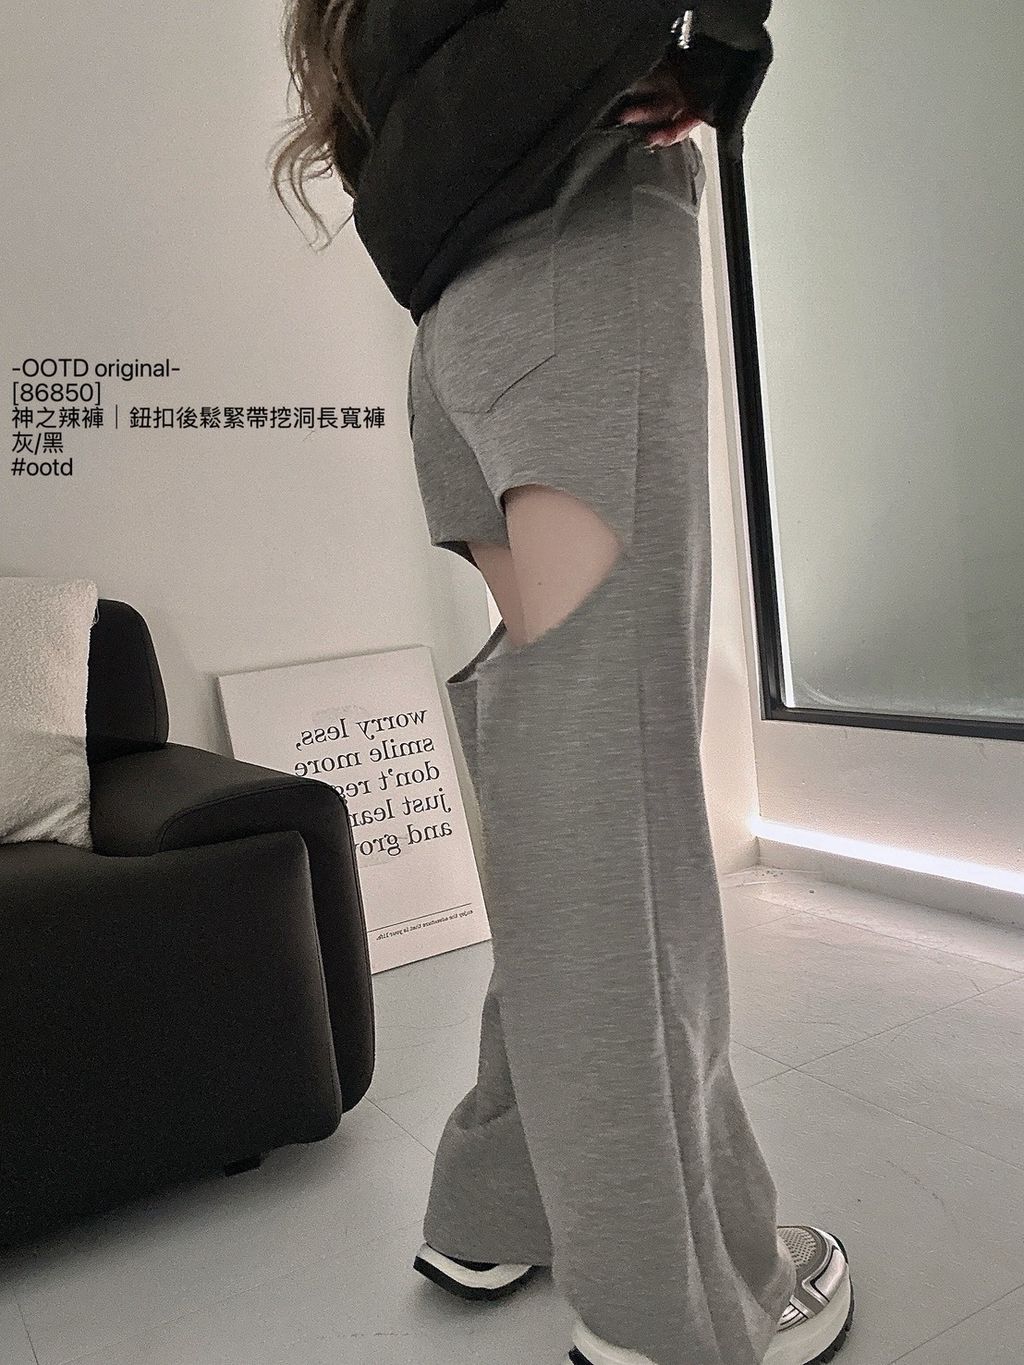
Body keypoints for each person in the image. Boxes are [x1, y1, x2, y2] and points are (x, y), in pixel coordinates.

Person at [271, 4, 855, 1363]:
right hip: (583, 258)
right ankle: (670, 1302)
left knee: (567, 790)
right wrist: (722, 45)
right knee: (616, 802)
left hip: (463, 327)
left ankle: (499, 1196)